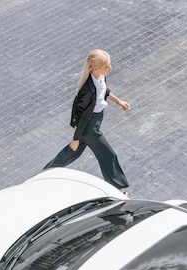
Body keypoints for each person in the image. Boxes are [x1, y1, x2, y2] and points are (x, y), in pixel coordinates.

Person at [43, 49, 131, 195]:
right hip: (90, 127)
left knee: (71, 153)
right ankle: (118, 189)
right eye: (106, 67)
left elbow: (105, 91)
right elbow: (81, 116)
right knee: (108, 155)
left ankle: (45, 174)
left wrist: (119, 101)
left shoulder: (100, 77)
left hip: (95, 122)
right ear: (95, 68)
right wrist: (76, 138)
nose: (110, 68)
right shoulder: (87, 90)